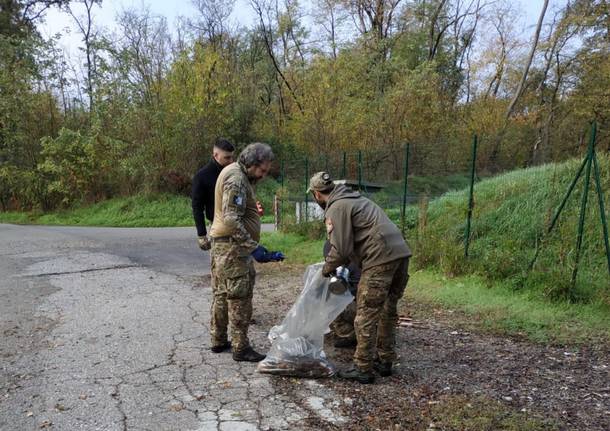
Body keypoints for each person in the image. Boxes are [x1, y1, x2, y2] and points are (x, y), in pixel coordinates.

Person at [308, 171, 412, 384]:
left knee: (366, 312)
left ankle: (363, 367)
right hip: (401, 252)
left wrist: (324, 271)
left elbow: (341, 250)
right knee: (387, 310)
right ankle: (385, 360)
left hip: (380, 256)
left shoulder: (336, 207)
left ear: (317, 195)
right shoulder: (357, 199)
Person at [209, 142, 285, 362]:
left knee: (222, 294)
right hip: (232, 247)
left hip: (223, 245)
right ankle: (240, 347)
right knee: (239, 297)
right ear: (251, 164)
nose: (263, 175)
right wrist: (254, 247)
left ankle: (218, 339)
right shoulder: (237, 179)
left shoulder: (233, 172)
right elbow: (231, 218)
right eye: (261, 170)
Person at [191, 138, 235, 251]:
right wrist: (201, 234)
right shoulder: (202, 176)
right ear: (216, 155)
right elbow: (197, 207)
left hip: (238, 223)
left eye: (232, 157)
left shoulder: (235, 173)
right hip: (217, 226)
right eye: (227, 157)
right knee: (220, 265)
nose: (231, 161)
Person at [323, 240, 361, 348]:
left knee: (331, 307)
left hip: (362, 307)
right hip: (372, 308)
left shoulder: (352, 267)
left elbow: (354, 292)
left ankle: (352, 336)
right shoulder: (355, 261)